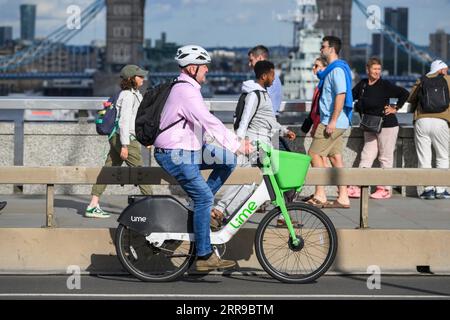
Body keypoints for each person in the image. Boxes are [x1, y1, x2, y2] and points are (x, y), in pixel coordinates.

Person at [153, 45, 253, 271]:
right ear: (191, 68)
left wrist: (216, 145)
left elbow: (198, 124)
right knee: (206, 198)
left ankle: (199, 207)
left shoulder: (189, 88)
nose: (207, 69)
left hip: (190, 149)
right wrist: (237, 144)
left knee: (228, 160)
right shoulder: (185, 91)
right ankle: (204, 256)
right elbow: (208, 120)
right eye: (203, 65)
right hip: (175, 154)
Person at [212, 60, 296, 225]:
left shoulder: (263, 94)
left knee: (267, 180)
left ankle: (282, 216)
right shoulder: (254, 95)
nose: (274, 78)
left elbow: (269, 122)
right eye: (272, 74)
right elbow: (243, 123)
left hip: (265, 146)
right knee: (250, 182)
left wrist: (285, 131)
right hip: (255, 146)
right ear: (264, 76)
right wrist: (238, 145)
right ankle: (220, 210)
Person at [85, 65, 153, 218]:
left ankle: (93, 204)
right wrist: (124, 145)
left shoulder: (135, 94)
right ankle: (152, 205)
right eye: (140, 76)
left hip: (118, 137)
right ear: (131, 79)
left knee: (109, 169)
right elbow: (124, 122)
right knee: (141, 172)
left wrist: (144, 139)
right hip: (124, 139)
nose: (143, 79)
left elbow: (137, 121)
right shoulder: (128, 96)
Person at [348, 57, 409, 199]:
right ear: (367, 70)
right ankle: (358, 186)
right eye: (374, 69)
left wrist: (395, 107)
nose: (377, 72)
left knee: (385, 157)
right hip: (369, 125)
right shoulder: (362, 85)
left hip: (387, 125)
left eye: (379, 69)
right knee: (366, 155)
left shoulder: (385, 85)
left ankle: (385, 189)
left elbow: (404, 93)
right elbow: (350, 97)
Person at [305, 36, 353, 209]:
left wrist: (332, 121)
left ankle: (320, 194)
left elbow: (341, 94)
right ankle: (343, 197)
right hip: (338, 122)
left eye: (323, 47)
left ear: (331, 49)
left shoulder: (336, 70)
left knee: (313, 154)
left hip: (331, 122)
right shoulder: (333, 70)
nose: (321, 50)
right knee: (334, 157)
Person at [408, 59, 450, 200]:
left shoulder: (422, 80)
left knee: (424, 157)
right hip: (442, 122)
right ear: (441, 70)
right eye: (445, 69)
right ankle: (441, 189)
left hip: (422, 121)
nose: (447, 71)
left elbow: (411, 98)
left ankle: (428, 190)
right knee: (442, 156)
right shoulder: (448, 80)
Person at [248, 45, 282, 116]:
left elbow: (270, 106)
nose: (249, 64)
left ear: (260, 58)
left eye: (251, 60)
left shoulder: (269, 77)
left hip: (267, 122)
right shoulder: (270, 75)